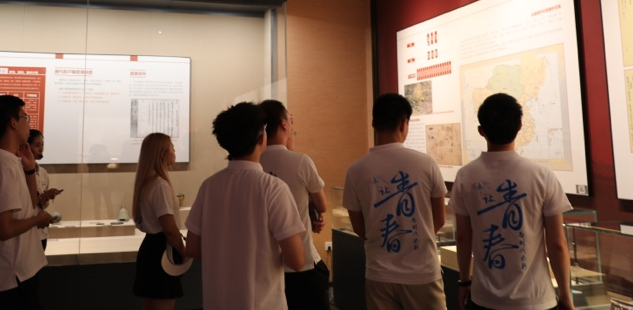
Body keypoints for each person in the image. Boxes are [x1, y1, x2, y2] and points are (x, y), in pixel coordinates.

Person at [449, 93, 575, 310]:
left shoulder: (465, 176)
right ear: (519, 126)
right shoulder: (542, 175)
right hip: (535, 300)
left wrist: (464, 281)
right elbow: (557, 244)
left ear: (481, 130)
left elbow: (462, 237)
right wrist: (565, 294)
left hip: (484, 298)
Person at [185, 102, 306, 310]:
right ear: (261, 138)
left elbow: (193, 248)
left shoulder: (209, 186)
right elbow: (297, 260)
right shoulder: (273, 188)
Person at [343, 93, 447, 310]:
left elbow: (359, 227)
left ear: (373, 124)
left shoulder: (356, 170)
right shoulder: (427, 163)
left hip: (379, 273)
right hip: (423, 273)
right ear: (403, 124)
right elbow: (439, 219)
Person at [0, 95, 53, 309]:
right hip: (12, 275)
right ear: (13, 123)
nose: (28, 123)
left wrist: (29, 170)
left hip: (16, 273)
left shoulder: (4, 161)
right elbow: (5, 229)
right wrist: (39, 219)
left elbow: (29, 203)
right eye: (25, 117)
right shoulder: (3, 166)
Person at [258, 100, 331, 310]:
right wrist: (310, 207)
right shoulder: (301, 161)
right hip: (301, 262)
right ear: (283, 124)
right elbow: (322, 206)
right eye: (291, 120)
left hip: (266, 264)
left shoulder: (254, 161)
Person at [131, 133, 187, 310]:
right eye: (172, 148)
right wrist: (183, 251)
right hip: (162, 251)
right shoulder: (160, 185)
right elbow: (169, 228)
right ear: (163, 154)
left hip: (151, 249)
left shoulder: (147, 182)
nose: (175, 151)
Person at [27, 129, 63, 251]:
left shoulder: (43, 172)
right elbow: (23, 202)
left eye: (42, 145)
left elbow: (44, 205)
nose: (41, 149)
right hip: (26, 228)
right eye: (37, 145)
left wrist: (47, 196)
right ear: (26, 146)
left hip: (41, 231)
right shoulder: (18, 171)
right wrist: (44, 195)